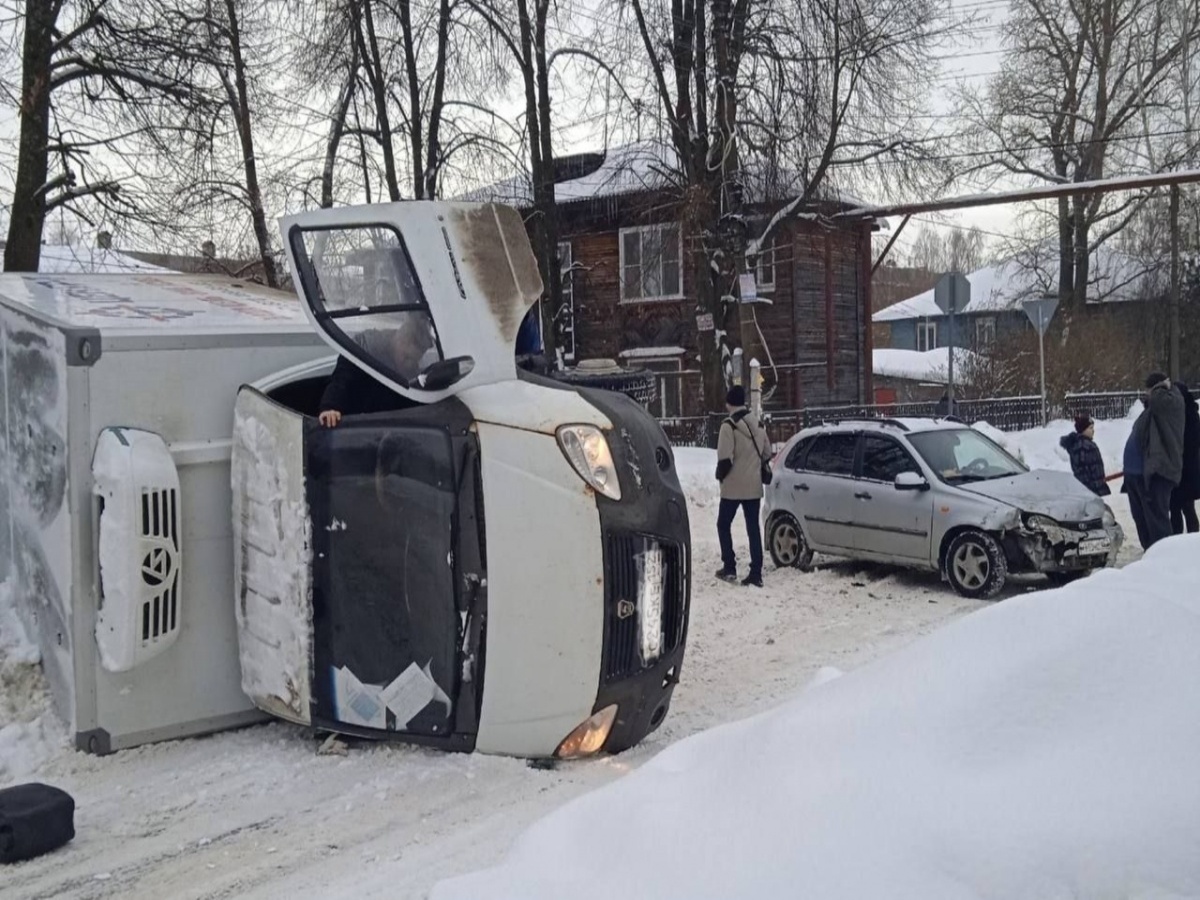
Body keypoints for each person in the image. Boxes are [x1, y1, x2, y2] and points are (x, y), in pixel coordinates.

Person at [319, 322, 439, 427]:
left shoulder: (411, 370)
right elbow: (342, 379)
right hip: (354, 426)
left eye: (415, 361)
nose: (409, 365)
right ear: (401, 340)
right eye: (407, 358)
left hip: (387, 429)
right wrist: (331, 407)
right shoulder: (364, 349)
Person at [714, 386, 771, 588]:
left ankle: (729, 566)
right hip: (753, 487)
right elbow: (766, 454)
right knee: (753, 528)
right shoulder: (758, 424)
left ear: (729, 402)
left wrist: (719, 476)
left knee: (723, 525)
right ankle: (756, 573)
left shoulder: (728, 426)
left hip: (732, 488)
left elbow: (725, 460)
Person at [1123, 371, 1185, 550]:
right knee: (1143, 521)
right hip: (1138, 475)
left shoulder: (1171, 402)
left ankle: (1163, 559)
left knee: (1157, 523)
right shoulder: (1155, 408)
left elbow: (1158, 401)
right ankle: (1150, 557)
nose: (1146, 395)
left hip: (1156, 474)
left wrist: (1160, 387)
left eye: (1148, 390)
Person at [1170, 381, 1200, 534]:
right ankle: (1182, 540)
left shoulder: (1189, 415)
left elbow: (1192, 442)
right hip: (1183, 469)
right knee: (1179, 508)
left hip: (1185, 469)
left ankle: (1190, 540)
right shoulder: (1190, 413)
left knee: (1185, 508)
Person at [1060, 414, 1110, 496]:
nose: (1093, 431)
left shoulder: (1075, 445)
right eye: (1090, 428)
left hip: (1083, 487)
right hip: (1092, 487)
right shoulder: (1086, 446)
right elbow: (1090, 469)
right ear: (1083, 429)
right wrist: (1099, 485)